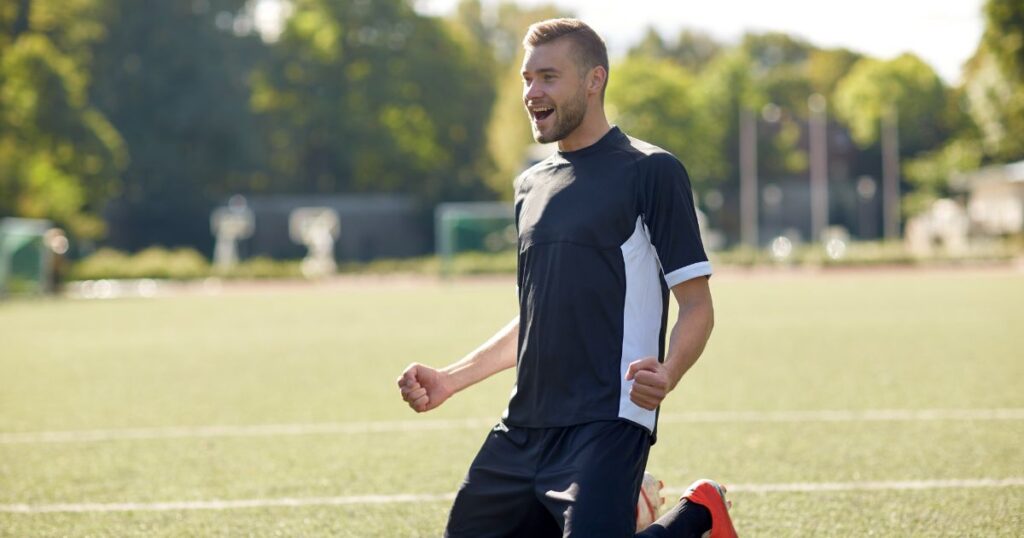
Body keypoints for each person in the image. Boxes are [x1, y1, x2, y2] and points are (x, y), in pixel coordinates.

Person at [397, 18, 738, 538]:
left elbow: (697, 305)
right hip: (524, 423)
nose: (533, 92)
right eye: (527, 79)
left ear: (594, 80)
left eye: (549, 77)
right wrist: (450, 379)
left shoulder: (651, 171)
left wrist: (668, 373)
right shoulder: (529, 186)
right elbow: (537, 317)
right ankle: (677, 512)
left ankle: (698, 515)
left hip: (607, 422)